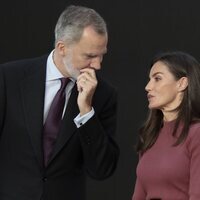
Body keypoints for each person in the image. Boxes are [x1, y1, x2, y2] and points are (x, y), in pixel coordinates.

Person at [0, 5, 119, 200]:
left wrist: (86, 112)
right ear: (62, 48)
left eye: (101, 55)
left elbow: (102, 170)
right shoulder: (9, 78)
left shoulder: (104, 95)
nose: (98, 65)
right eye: (90, 56)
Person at [132, 51, 200, 200]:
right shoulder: (149, 135)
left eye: (157, 78)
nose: (148, 87)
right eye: (149, 79)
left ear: (182, 83)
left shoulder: (196, 134)